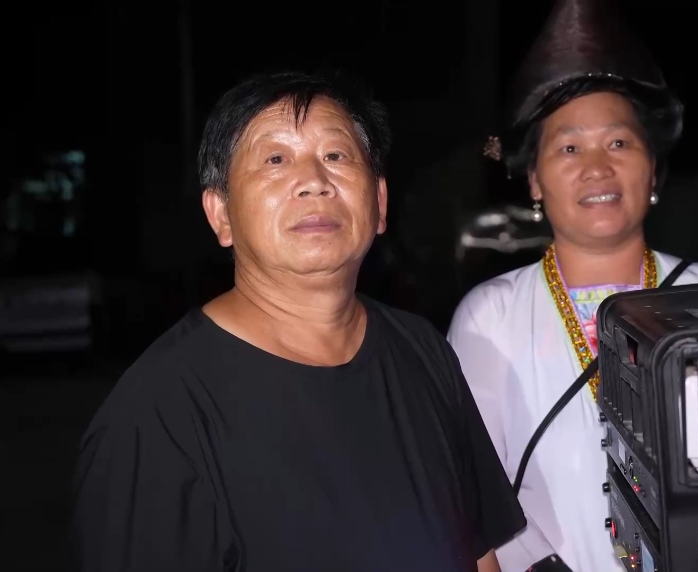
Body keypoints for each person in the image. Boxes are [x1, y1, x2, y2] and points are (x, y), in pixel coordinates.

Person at [72, 70, 525, 572]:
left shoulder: (423, 350)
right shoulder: (156, 415)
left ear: (379, 203)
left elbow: (480, 556)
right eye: (275, 160)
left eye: (336, 156)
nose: (314, 181)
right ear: (221, 214)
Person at [447, 1, 698, 571]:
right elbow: (469, 497)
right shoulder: (492, 316)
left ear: (652, 168)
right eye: (569, 148)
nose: (597, 167)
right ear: (535, 180)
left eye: (619, 143)